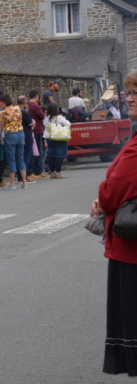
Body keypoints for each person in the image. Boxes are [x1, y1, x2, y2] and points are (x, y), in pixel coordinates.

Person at [89, 70, 137, 376]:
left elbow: (119, 183)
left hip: (131, 249)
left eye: (135, 93)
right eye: (130, 92)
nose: (129, 98)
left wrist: (102, 201)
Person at [0, 93, 28, 189]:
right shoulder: (17, 108)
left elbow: (1, 126)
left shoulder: (3, 112)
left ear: (4, 102)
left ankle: (12, 183)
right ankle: (24, 182)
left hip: (10, 134)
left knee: (11, 159)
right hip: (21, 133)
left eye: (1, 102)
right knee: (20, 158)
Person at [43, 103, 71, 178]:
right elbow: (68, 124)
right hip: (59, 137)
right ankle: (58, 172)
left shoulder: (46, 117)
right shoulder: (59, 117)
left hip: (49, 137)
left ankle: (52, 172)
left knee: (51, 155)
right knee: (60, 155)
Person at [27, 90, 49, 179]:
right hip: (37, 130)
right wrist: (45, 113)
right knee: (37, 152)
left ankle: (38, 171)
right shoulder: (35, 105)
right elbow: (42, 116)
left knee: (36, 152)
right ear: (36, 96)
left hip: (33, 130)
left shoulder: (28, 104)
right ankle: (34, 171)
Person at [17, 95, 35, 184]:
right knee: (26, 157)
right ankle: (24, 176)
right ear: (25, 103)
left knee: (20, 156)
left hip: (18, 134)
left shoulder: (15, 110)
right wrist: (34, 122)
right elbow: (31, 124)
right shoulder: (23, 111)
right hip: (26, 135)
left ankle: (20, 176)